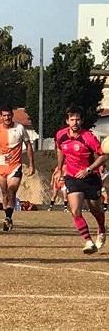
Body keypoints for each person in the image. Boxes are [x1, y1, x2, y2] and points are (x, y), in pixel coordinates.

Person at [55, 106, 106, 254]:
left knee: (95, 209)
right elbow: (60, 149)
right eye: (72, 119)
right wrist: (59, 169)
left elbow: (103, 155)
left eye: (77, 119)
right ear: (67, 121)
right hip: (72, 177)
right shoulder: (60, 135)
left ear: (82, 121)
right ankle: (89, 241)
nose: (75, 122)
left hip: (91, 178)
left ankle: (102, 229)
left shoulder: (88, 137)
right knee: (75, 210)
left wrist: (88, 170)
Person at [0, 106, 35, 232]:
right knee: (4, 193)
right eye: (4, 115)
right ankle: (7, 216)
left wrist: (31, 164)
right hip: (1, 166)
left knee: (12, 190)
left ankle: (8, 217)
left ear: (12, 115)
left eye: (9, 115)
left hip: (15, 166)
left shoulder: (19, 128)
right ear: (1, 117)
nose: (7, 118)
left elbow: (28, 145)